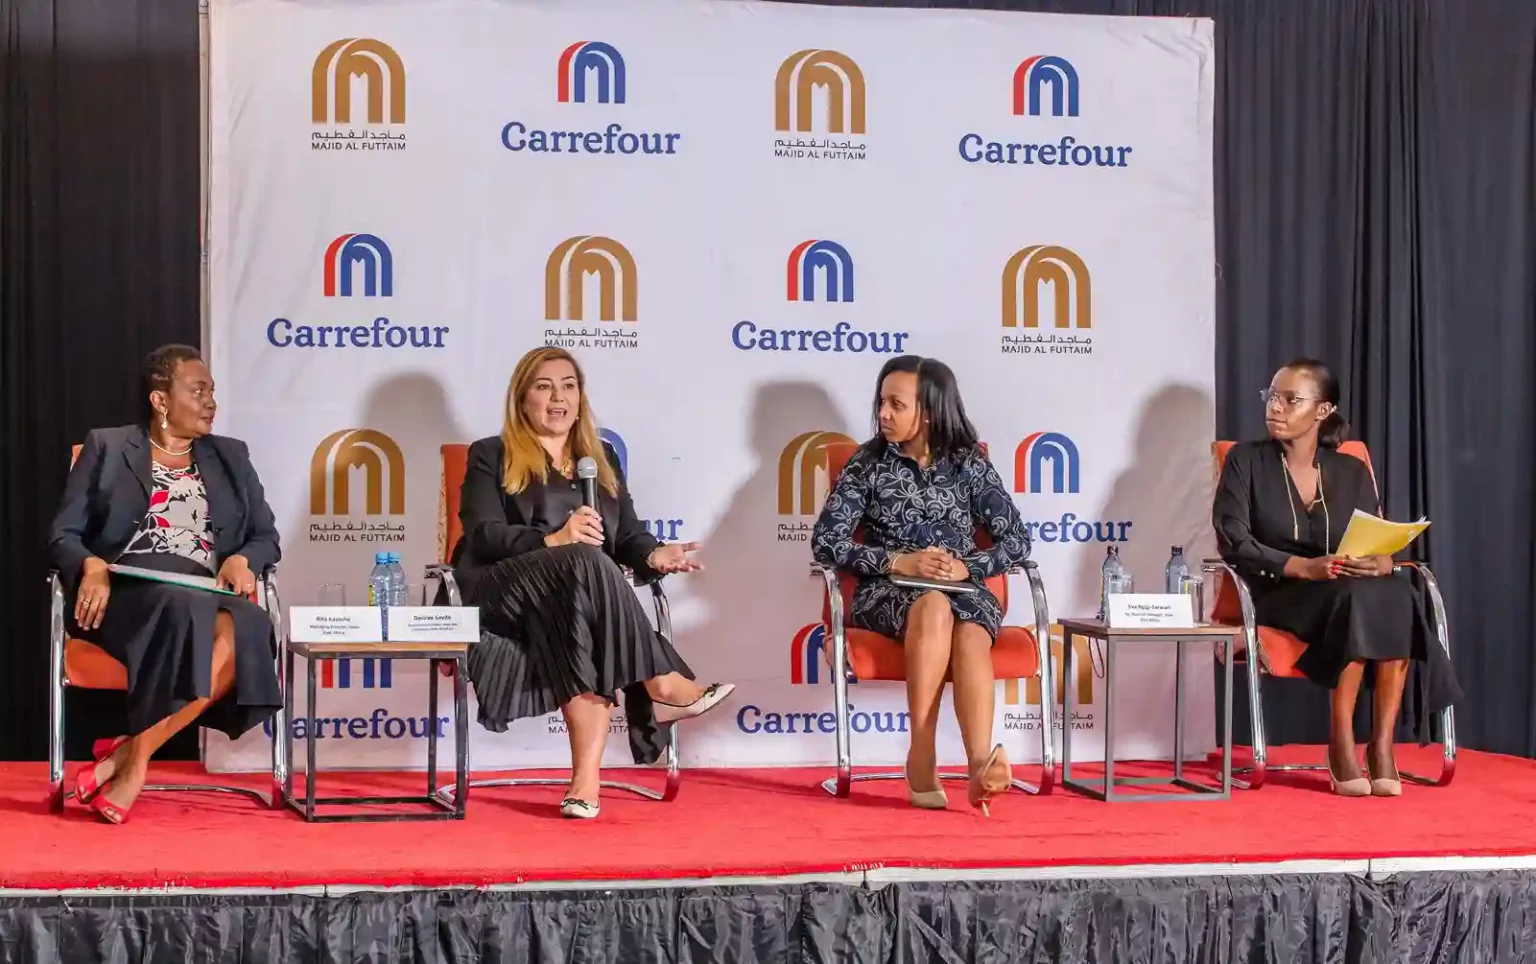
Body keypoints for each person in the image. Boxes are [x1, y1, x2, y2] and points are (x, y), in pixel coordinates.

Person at [453, 346, 734, 819]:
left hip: (575, 598)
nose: (558, 397)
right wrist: (551, 539)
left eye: (569, 386)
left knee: (582, 611)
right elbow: (481, 531)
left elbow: (624, 532)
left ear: (581, 397)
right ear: (522, 400)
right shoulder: (492, 453)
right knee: (582, 557)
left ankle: (585, 784)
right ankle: (660, 680)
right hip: (501, 590)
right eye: (543, 387)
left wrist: (652, 553)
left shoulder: (598, 457)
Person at [48, 344, 282, 824]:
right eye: (198, 391)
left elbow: (266, 536)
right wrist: (91, 565)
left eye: (212, 391)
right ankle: (132, 763)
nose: (210, 402)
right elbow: (62, 535)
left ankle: (132, 756)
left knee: (253, 624)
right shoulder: (108, 447)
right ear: (160, 400)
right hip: (126, 591)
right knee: (188, 608)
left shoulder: (231, 456)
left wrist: (244, 557)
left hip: (203, 591)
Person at [1213, 358, 1461, 797]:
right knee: (1360, 597)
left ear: (1322, 411)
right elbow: (1234, 542)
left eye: (1291, 399)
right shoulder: (1245, 461)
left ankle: (1381, 745)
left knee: (1395, 590)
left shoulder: (1350, 470)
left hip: (1343, 587)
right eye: (1271, 397)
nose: (1276, 407)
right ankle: (1341, 740)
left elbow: (1382, 542)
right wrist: (1303, 567)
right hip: (1278, 590)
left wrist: (1382, 562)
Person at [811, 355, 1031, 815]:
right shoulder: (867, 463)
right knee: (932, 607)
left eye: (896, 404)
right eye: (881, 402)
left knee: (970, 633)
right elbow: (826, 542)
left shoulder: (968, 463)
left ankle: (977, 768)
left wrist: (969, 568)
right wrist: (899, 560)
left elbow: (1017, 539)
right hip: (887, 589)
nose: (883, 414)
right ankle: (922, 752)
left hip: (964, 590)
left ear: (928, 411)